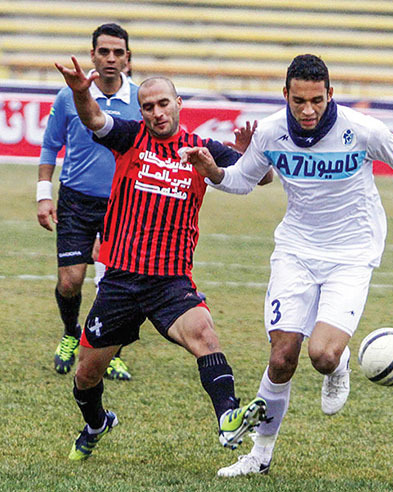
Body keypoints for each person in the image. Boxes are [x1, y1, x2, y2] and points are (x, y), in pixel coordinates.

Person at [184, 54, 393, 476]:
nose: (309, 110)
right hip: (296, 250)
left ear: (330, 94)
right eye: (299, 100)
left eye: (317, 99)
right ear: (285, 95)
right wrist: (213, 172)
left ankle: (339, 365)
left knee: (321, 354)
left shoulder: (361, 129)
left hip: (352, 253)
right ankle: (259, 457)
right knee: (282, 357)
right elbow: (244, 181)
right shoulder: (269, 132)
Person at [54, 57, 270, 461]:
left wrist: (246, 156)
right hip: (119, 280)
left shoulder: (204, 149)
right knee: (86, 374)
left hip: (170, 280)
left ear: (178, 104)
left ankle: (228, 418)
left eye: (163, 104)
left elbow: (261, 179)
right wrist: (82, 91)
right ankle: (97, 422)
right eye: (148, 106)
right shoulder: (130, 138)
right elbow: (95, 119)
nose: (156, 112)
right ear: (141, 111)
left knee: (205, 335)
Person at [37, 23, 139, 380]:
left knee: (117, 285)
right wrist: (43, 196)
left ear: (128, 59)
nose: (111, 58)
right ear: (92, 54)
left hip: (125, 205)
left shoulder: (141, 100)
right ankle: (71, 333)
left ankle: (110, 353)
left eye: (118, 53)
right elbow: (51, 145)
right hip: (76, 201)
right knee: (70, 281)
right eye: (104, 52)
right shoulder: (70, 95)